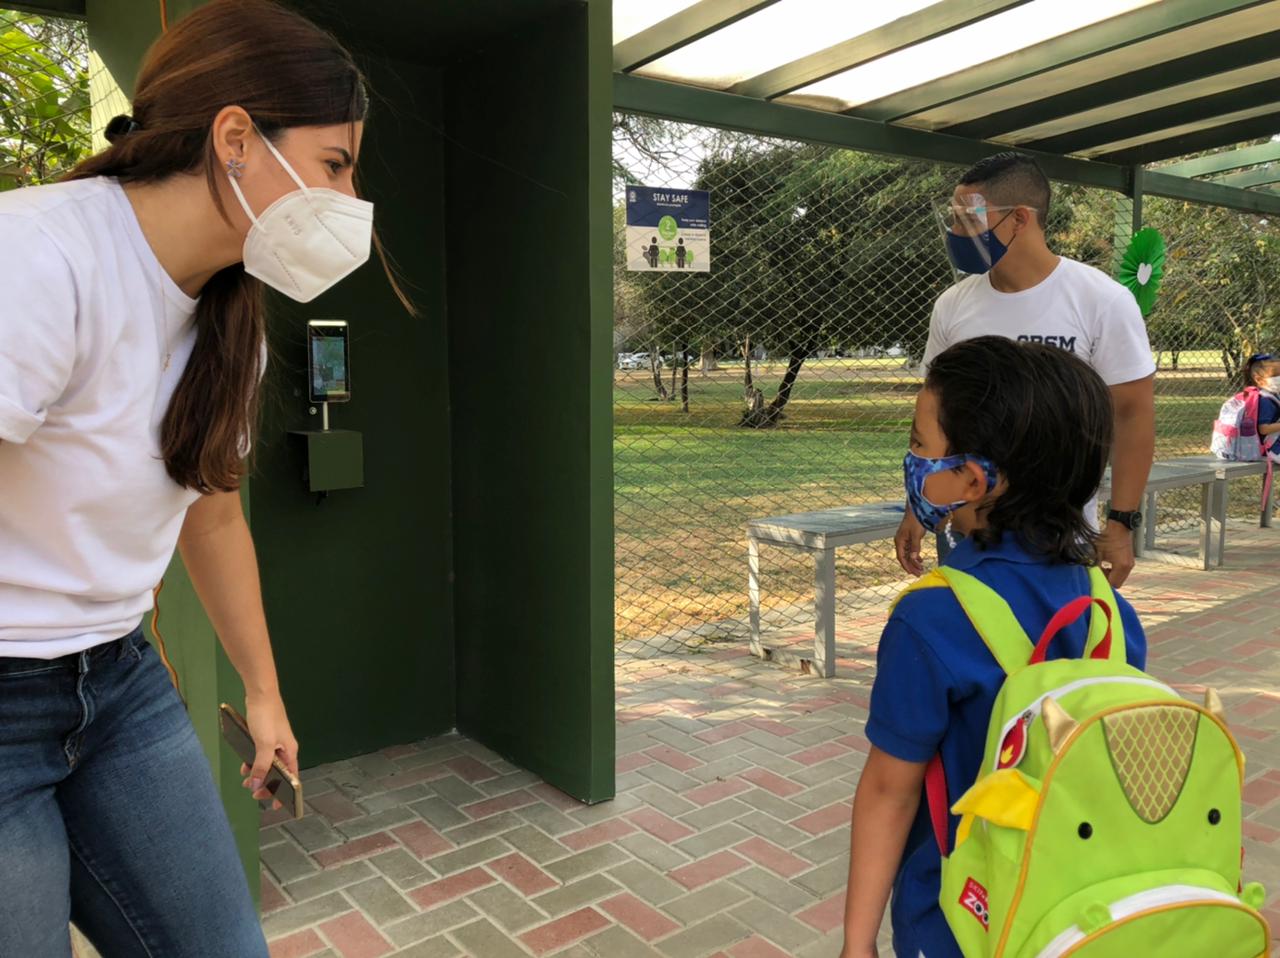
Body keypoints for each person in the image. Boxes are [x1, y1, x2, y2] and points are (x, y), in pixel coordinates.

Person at [0, 2, 379, 955]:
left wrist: (264, 692)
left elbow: (211, 516)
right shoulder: (41, 257)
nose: (347, 195)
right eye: (335, 164)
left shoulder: (229, 321)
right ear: (237, 137)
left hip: (118, 682)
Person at [839, 337, 1148, 958]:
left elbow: (888, 791)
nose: (912, 458)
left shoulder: (931, 620)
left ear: (973, 480)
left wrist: (856, 943)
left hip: (959, 915)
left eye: (921, 444)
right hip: (1074, 909)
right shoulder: (1112, 614)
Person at [895, 152, 1155, 588]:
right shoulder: (952, 306)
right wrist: (919, 508)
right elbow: (935, 419)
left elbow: (1132, 416)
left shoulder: (1101, 301)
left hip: (1058, 530)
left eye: (969, 220)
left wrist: (1122, 522)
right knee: (970, 634)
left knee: (1054, 643)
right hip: (967, 525)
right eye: (954, 219)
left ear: (1019, 219)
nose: (955, 233)